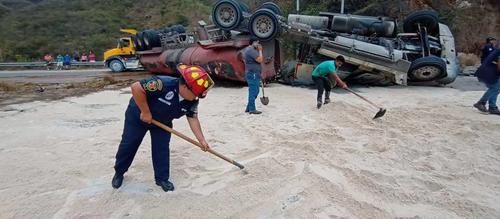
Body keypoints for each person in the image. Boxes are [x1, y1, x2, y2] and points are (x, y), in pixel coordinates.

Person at [112, 64, 215, 192]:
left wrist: (202, 140)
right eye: (195, 94)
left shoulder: (192, 100)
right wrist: (145, 112)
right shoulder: (162, 84)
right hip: (138, 116)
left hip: (163, 122)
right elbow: (136, 87)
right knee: (129, 144)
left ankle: (162, 179)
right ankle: (119, 172)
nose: (196, 97)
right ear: (184, 87)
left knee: (161, 149)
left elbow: (193, 117)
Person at [474, 48, 500, 115]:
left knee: (496, 88)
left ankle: (492, 107)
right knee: (495, 88)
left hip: (489, 71)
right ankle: (481, 103)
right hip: (488, 72)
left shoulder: (497, 50)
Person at [242, 38, 263, 114]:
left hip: (254, 73)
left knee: (255, 90)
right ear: (253, 43)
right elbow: (260, 60)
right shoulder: (251, 51)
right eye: (257, 43)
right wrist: (260, 50)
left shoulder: (250, 50)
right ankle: (252, 109)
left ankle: (249, 107)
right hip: (252, 73)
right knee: (253, 91)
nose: (258, 44)